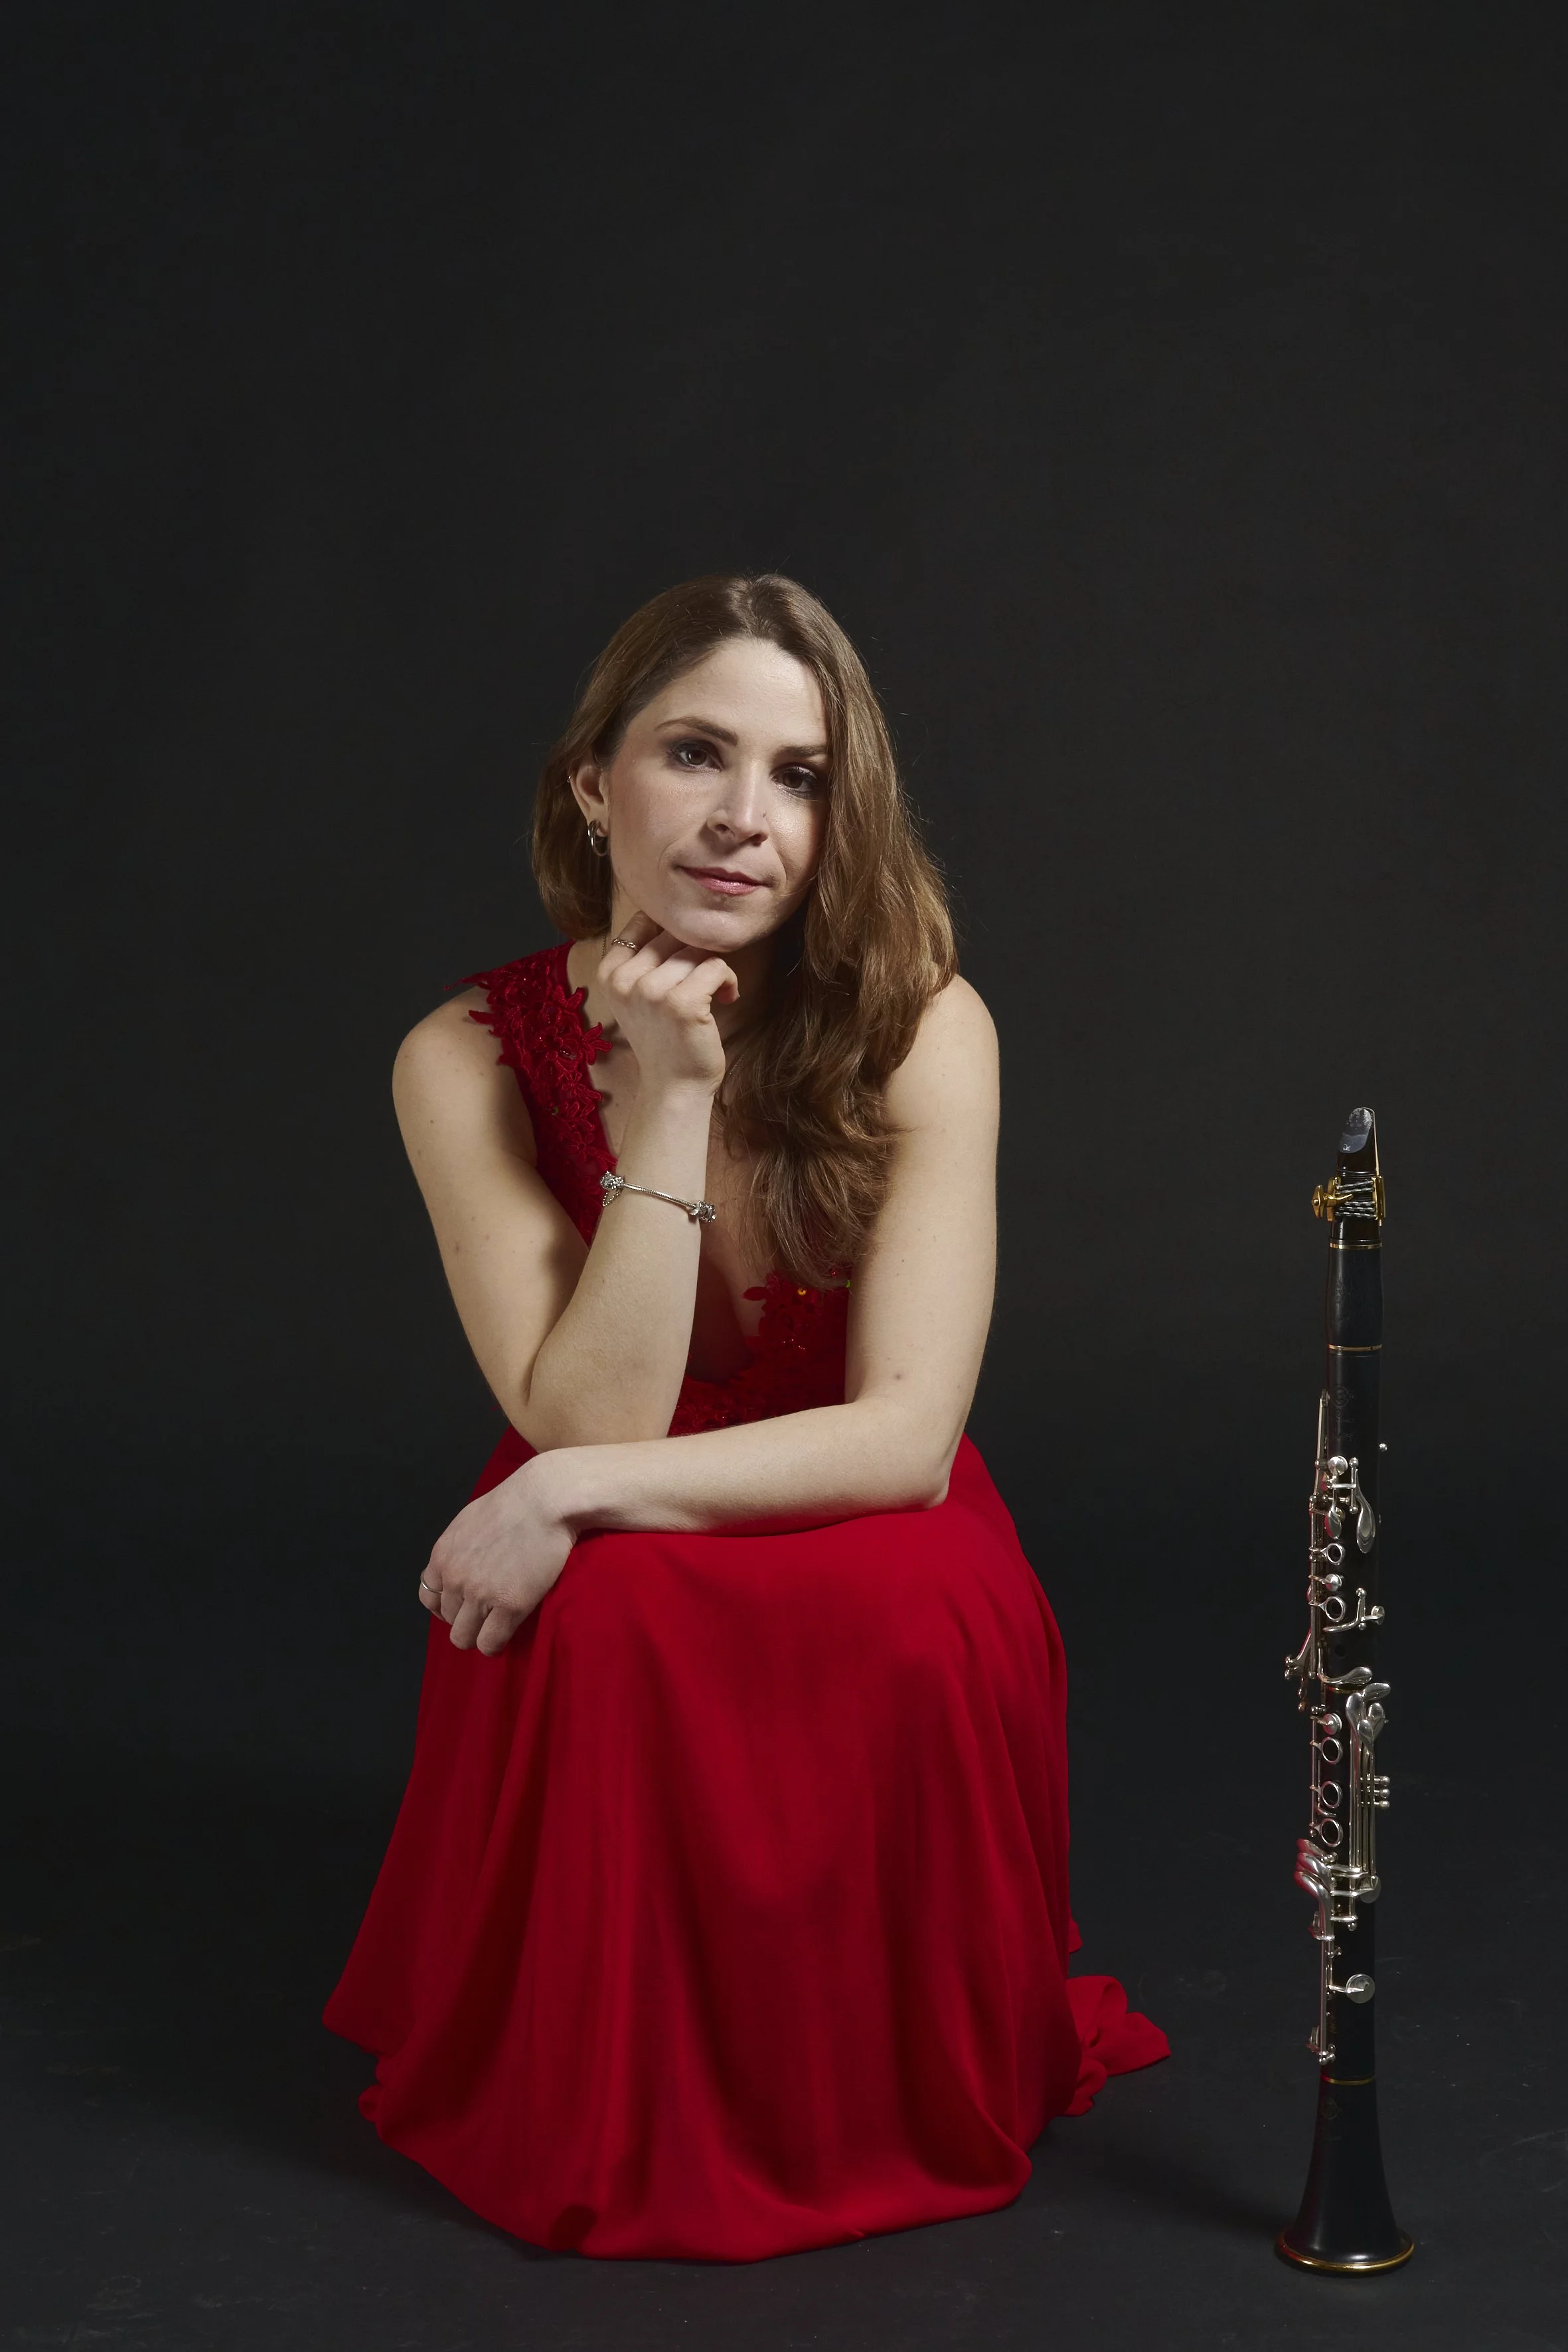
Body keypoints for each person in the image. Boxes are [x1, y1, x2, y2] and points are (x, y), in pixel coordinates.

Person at [323, 573, 1167, 2262]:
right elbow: (587, 1405)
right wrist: (673, 1102)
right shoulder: (465, 1053)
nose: (743, 820)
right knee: (614, 1619)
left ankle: (860, 2083)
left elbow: (906, 1437)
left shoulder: (923, 1023)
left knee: (906, 1610)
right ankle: (626, 2095)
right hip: (613, 1452)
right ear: (591, 784)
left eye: (797, 777)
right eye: (693, 754)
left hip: (846, 1489)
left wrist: (562, 1494)